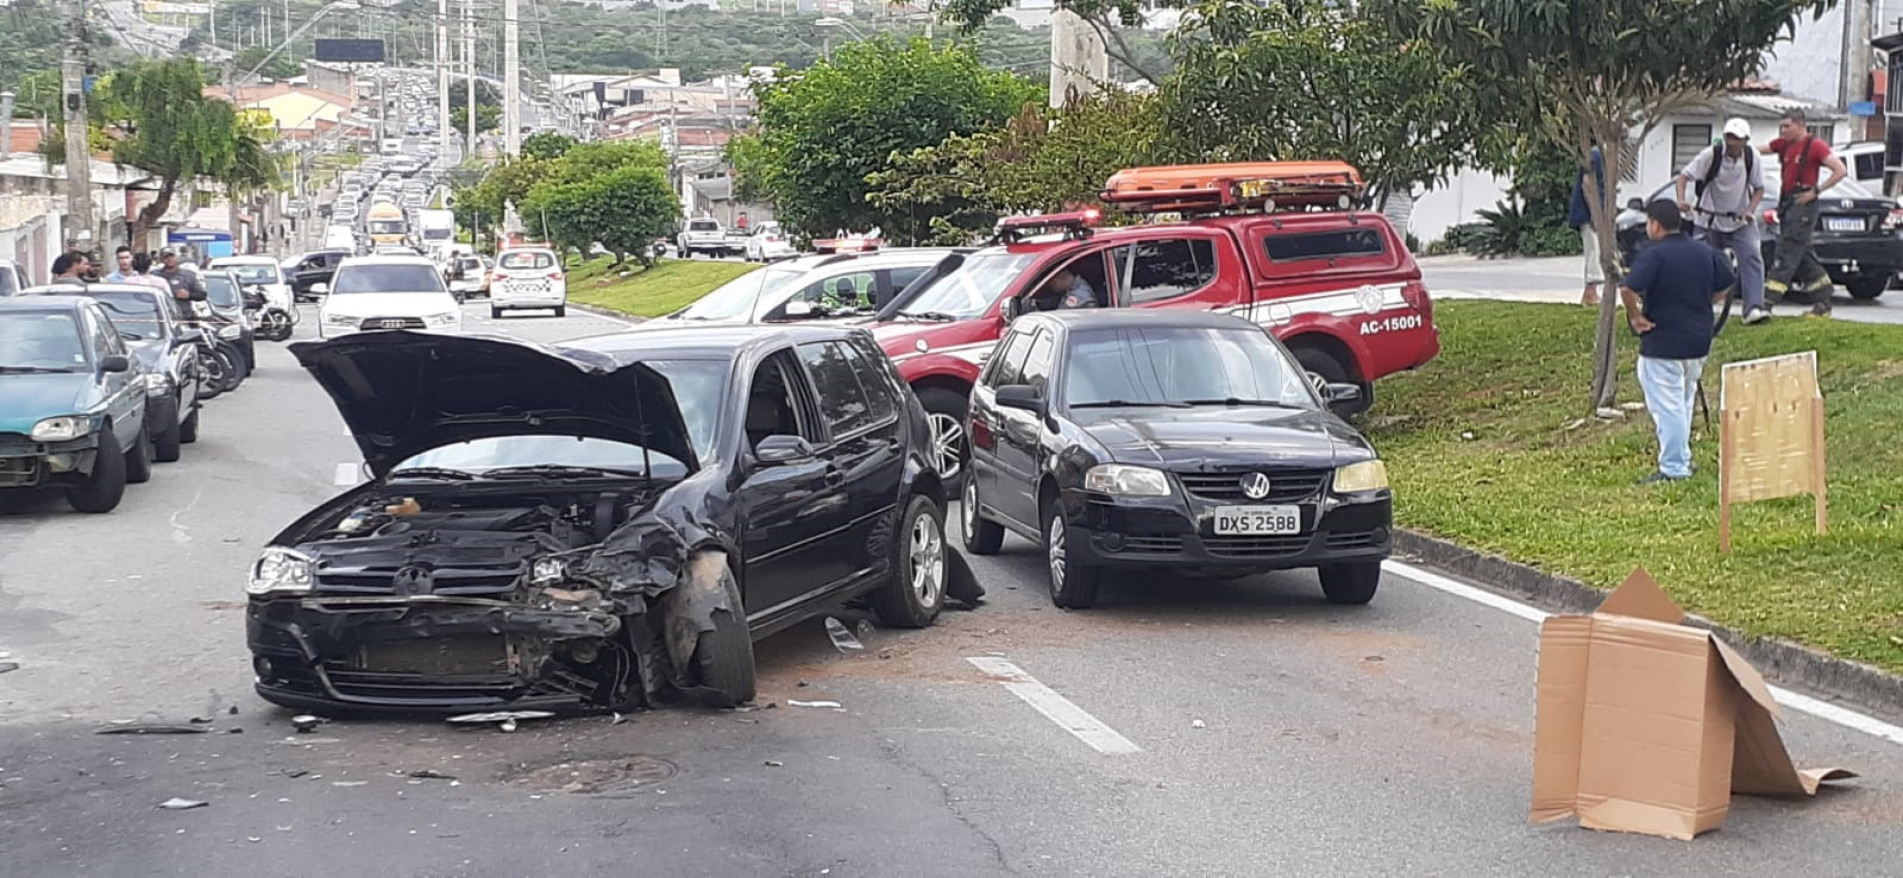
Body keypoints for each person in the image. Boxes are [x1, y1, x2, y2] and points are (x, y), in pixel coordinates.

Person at [1619, 200, 1734, 484]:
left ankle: (1674, 467)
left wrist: (1635, 318)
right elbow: (1727, 281)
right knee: (1683, 401)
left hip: (1663, 341)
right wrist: (1704, 302)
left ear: (1656, 225)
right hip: (1698, 341)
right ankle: (1682, 457)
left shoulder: (1654, 255)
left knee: (1667, 406)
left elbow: (1628, 288)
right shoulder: (1704, 251)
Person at [1676, 117, 1768, 324]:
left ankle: (1753, 308)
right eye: (1729, 137)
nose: (1732, 142)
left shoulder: (1752, 157)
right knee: (1701, 263)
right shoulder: (1711, 155)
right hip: (1709, 219)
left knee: (1752, 256)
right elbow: (1684, 177)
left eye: (1737, 138)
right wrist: (1681, 200)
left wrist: (1750, 211)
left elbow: (1759, 188)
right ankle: (1697, 307)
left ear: (1745, 140)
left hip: (1739, 220)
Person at [1760, 109, 1847, 316]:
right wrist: (1737, 146)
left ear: (1800, 125)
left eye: (1787, 126)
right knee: (1803, 253)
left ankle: (1766, 302)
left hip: (1803, 204)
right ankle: (1823, 300)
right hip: (1787, 202)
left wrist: (1815, 191)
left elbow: (1840, 170)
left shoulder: (1815, 146)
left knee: (1787, 250)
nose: (1783, 130)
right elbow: (1760, 149)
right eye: (1781, 126)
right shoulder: (1783, 144)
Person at [1567, 145, 1607, 306]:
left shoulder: (1598, 155)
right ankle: (1591, 292)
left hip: (1591, 212)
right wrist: (1595, 214)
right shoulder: (1596, 156)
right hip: (1589, 213)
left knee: (1593, 250)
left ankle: (1589, 293)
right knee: (1594, 250)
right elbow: (1588, 184)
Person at [152, 249, 208, 320]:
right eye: (166, 257)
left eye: (171, 256)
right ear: (161, 260)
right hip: (162, 317)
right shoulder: (155, 276)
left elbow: (202, 295)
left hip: (184, 317)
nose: (169, 259)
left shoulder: (189, 275)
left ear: (176, 257)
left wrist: (188, 295)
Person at [1031, 266, 1097, 311]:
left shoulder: (1077, 295)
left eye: (1053, 284)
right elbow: (1057, 299)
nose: (1052, 287)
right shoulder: (1073, 287)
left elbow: (1062, 316)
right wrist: (1038, 303)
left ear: (1058, 279)